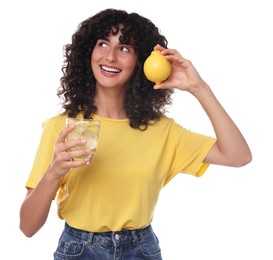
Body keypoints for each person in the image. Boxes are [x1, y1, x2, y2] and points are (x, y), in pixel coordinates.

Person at [19, 8, 252, 260]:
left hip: (141, 250)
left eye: (125, 48)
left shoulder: (162, 130)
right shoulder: (62, 128)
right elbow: (27, 227)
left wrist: (198, 87)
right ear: (88, 52)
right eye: (103, 43)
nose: (110, 56)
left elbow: (238, 156)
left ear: (140, 61)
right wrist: (54, 171)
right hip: (79, 250)